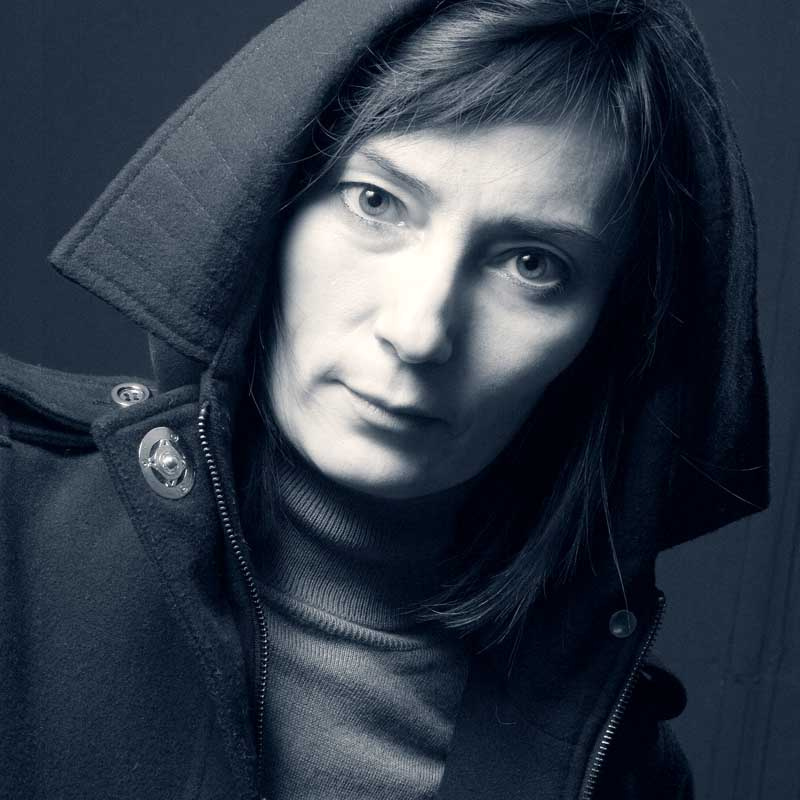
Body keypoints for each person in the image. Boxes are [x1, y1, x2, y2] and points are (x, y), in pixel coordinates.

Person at [0, 0, 769, 798]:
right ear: (275, 201)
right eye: (376, 202)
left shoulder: (622, 771)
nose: (419, 332)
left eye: (532, 264)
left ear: (605, 334)